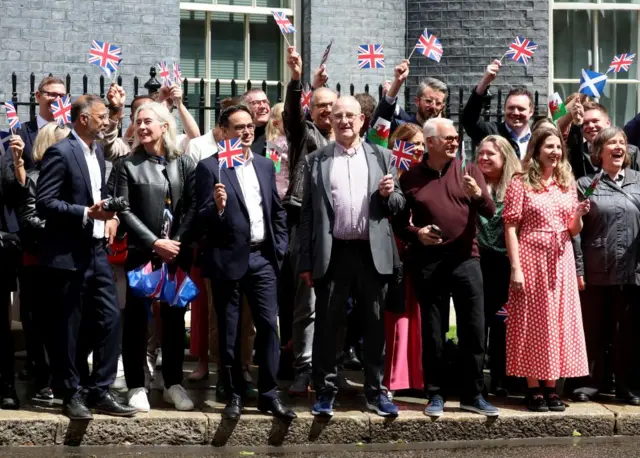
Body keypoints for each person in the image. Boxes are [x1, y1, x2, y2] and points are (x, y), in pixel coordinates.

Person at [297, 96, 405, 418]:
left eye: (350, 116)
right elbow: (306, 217)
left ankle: (375, 391)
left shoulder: (382, 156)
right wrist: (305, 262)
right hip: (334, 253)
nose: (344, 121)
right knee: (328, 326)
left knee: (374, 326)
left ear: (362, 121)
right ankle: (325, 392)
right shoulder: (316, 160)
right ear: (330, 121)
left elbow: (398, 207)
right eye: (337, 116)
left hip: (372, 255)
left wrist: (389, 195)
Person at [35, 94, 137, 420]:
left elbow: (98, 196)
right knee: (68, 325)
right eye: (101, 116)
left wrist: (109, 214)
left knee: (110, 319)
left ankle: (99, 389)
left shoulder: (98, 153)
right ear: (83, 119)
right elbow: (45, 203)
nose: (106, 121)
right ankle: (70, 392)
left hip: (96, 252)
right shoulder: (61, 152)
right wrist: (84, 212)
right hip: (66, 254)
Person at [195, 104, 294, 421]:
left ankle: (268, 394)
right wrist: (218, 207)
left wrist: (279, 248)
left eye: (250, 126)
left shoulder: (265, 165)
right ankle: (233, 394)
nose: (246, 132)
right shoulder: (211, 168)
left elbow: (276, 211)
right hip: (227, 260)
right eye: (238, 127)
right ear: (223, 131)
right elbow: (199, 219)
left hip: (262, 257)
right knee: (229, 330)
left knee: (268, 326)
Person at [395, 117, 498, 418]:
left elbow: (490, 212)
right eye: (448, 138)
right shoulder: (410, 177)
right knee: (433, 332)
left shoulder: (469, 171)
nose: (455, 141)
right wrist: (419, 234)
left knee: (475, 329)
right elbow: (400, 225)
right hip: (429, 263)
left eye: (456, 137)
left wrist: (477, 195)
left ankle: (473, 395)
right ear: (430, 143)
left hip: (467, 259)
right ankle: (435, 394)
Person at [115, 102, 197, 412]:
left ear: (164, 125)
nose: (142, 127)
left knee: (175, 318)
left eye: (148, 121)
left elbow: (192, 207)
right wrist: (154, 243)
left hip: (176, 253)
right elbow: (123, 209)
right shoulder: (127, 165)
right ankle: (137, 385)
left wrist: (175, 242)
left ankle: (173, 383)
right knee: (136, 319)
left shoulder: (184, 163)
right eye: (138, 122)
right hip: (142, 253)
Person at [503, 128, 590, 413]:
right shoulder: (520, 183)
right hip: (531, 256)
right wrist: (516, 267)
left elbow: (572, 229)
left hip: (561, 258)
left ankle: (551, 387)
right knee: (533, 319)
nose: (555, 152)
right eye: (549, 146)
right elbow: (511, 227)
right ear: (537, 150)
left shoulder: (567, 182)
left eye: (558, 147)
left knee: (557, 320)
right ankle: (532, 388)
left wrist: (578, 214)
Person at [570, 127, 640, 405]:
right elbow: (574, 232)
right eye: (612, 142)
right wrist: (579, 270)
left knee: (630, 333)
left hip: (632, 272)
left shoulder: (638, 181)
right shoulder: (585, 184)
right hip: (596, 269)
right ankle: (589, 384)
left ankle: (629, 388)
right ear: (598, 153)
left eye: (622, 142)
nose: (619, 146)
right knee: (594, 331)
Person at [283, 46, 336, 395]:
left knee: (339, 302)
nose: (330, 113)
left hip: (343, 230)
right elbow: (291, 117)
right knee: (309, 304)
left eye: (334, 106)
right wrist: (298, 80)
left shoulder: (352, 143)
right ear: (311, 111)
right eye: (322, 107)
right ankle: (302, 368)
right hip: (305, 224)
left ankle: (331, 369)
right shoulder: (305, 136)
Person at [12, 123, 72, 402]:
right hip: (37, 262)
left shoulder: (70, 180)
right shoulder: (33, 177)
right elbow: (29, 220)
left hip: (66, 261)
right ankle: (43, 379)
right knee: (39, 324)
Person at [474, 135, 522, 397]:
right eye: (481, 153)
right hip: (477, 264)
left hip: (505, 266)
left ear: (504, 157)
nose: (483, 158)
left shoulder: (516, 187)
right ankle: (475, 379)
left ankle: (502, 379)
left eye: (490, 154)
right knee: (477, 323)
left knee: (503, 323)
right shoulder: (470, 184)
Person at [383, 123, 425, 394]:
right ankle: (395, 379)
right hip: (393, 251)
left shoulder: (425, 175)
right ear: (400, 146)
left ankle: (418, 379)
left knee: (418, 316)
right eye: (413, 144)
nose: (419, 149)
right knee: (396, 316)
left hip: (420, 253)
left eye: (422, 144)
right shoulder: (390, 175)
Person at [462, 59, 534, 159]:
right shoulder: (492, 133)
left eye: (521, 109)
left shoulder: (538, 138)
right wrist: (484, 83)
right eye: (511, 108)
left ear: (531, 111)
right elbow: (469, 120)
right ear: (504, 109)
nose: (515, 112)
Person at [563, 101, 640, 179]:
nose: (591, 125)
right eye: (585, 123)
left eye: (595, 121)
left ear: (608, 123)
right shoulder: (575, 154)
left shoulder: (631, 152)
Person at [371, 59, 448, 134]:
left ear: (442, 106)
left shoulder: (446, 135)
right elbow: (379, 125)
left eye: (438, 103)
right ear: (417, 101)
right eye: (428, 101)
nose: (433, 106)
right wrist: (397, 82)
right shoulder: (401, 130)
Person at [265, 102, 290, 200]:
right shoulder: (278, 142)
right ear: (276, 123)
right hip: (284, 189)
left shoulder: (273, 142)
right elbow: (273, 168)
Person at [241, 88, 271, 156]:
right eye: (255, 103)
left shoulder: (278, 130)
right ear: (245, 108)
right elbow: (228, 164)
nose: (263, 106)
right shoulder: (236, 133)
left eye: (265, 102)